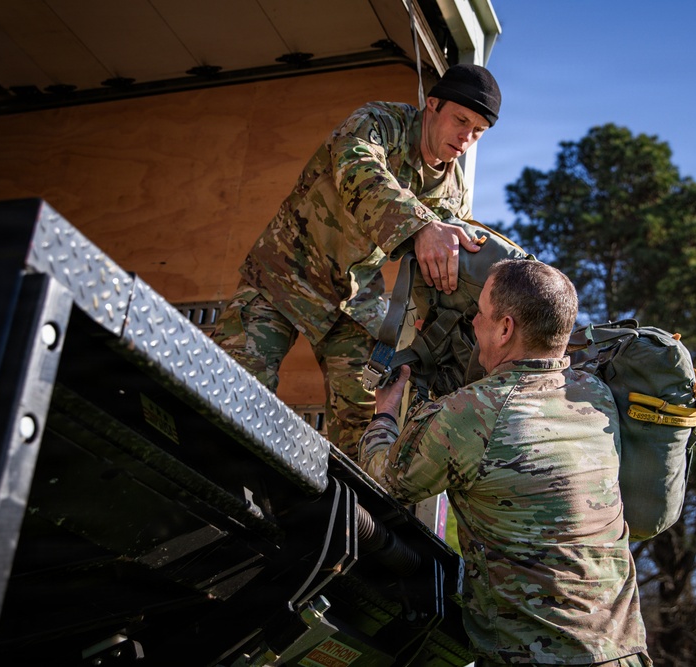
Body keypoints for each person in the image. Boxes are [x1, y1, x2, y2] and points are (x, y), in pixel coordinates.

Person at [359, 259, 651, 666]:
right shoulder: (595, 393)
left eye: (479, 312)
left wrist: (385, 415)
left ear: (505, 328)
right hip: (624, 652)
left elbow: (382, 481)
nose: (474, 323)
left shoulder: (475, 413)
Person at [212, 64, 502, 458]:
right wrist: (421, 227)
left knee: (365, 424)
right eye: (461, 120)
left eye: (479, 130)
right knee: (230, 392)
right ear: (432, 105)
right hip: (285, 273)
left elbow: (444, 272)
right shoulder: (378, 123)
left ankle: (346, 514)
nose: (466, 137)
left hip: (354, 299)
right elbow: (359, 173)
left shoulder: (454, 194)